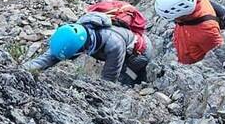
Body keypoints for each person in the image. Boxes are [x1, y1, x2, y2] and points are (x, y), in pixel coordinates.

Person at [23, 6, 153, 85]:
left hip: (140, 53)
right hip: (120, 45)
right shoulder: (75, 34)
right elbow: (49, 58)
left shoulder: (113, 45)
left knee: (127, 75)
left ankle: (139, 82)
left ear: (82, 49)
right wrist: (23, 70)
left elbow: (108, 78)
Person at [155, 0, 225, 64]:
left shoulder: (206, 32)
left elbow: (219, 55)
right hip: (187, 42)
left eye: (175, 19)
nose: (175, 21)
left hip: (193, 63)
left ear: (183, 16)